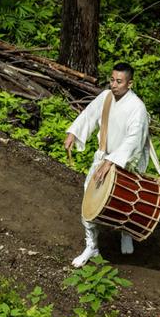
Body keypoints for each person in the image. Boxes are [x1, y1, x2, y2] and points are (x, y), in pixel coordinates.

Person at [64, 62, 150, 268]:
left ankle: (126, 232)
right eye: (112, 80)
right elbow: (89, 114)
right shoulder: (106, 97)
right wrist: (73, 133)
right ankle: (91, 245)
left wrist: (113, 162)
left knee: (125, 203)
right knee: (89, 201)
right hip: (103, 156)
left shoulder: (137, 108)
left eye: (119, 81)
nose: (114, 84)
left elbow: (133, 141)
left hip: (126, 162)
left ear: (130, 83)